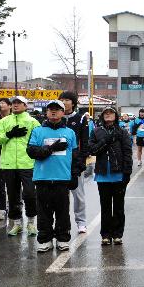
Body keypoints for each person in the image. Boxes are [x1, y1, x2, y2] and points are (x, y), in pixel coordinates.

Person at [25, 100, 78, 252]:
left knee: (62, 211)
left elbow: (75, 156)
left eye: (57, 109)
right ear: (46, 112)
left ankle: (62, 238)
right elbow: (32, 152)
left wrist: (74, 174)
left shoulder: (70, 132)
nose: (53, 112)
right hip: (43, 178)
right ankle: (45, 239)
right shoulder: (37, 131)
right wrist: (51, 148)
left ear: (63, 112)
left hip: (62, 178)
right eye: (51, 110)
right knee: (44, 211)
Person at [0, 95, 41, 236]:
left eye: (19, 103)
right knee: (13, 195)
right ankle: (17, 223)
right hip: (9, 164)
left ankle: (31, 222)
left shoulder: (33, 122)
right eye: (14, 103)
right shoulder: (4, 121)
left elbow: (38, 141)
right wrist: (9, 134)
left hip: (27, 162)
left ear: (25, 106)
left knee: (30, 193)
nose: (15, 105)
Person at [89, 106, 133, 245]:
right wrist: (105, 140)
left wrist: (127, 172)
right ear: (102, 116)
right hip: (103, 174)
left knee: (119, 206)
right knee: (105, 206)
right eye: (105, 113)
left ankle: (118, 234)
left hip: (119, 174)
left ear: (116, 115)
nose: (108, 115)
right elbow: (92, 150)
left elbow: (127, 152)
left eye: (111, 113)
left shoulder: (122, 131)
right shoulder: (96, 131)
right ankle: (105, 235)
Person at [60, 91, 90, 234]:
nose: (65, 102)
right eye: (62, 100)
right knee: (61, 195)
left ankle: (81, 222)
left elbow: (84, 142)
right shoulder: (55, 119)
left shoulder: (80, 119)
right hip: (58, 164)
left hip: (75, 163)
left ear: (73, 103)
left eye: (67, 100)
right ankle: (63, 223)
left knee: (78, 195)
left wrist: (82, 161)